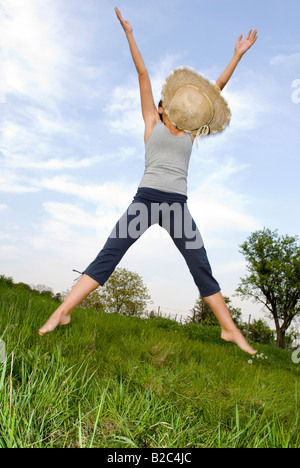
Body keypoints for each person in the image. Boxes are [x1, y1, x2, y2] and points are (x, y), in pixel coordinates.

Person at [39, 7, 258, 356]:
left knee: (200, 264)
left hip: (176, 207)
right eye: (167, 107)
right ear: (161, 109)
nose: (173, 112)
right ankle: (61, 312)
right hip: (145, 202)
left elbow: (214, 92)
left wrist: (236, 55)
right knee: (108, 255)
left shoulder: (190, 133)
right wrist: (129, 33)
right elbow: (142, 73)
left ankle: (229, 330)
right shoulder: (151, 123)